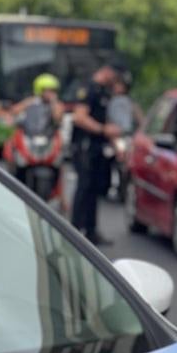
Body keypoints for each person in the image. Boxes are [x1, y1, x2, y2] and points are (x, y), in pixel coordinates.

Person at [71, 64, 121, 244]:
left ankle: (91, 231)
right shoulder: (88, 88)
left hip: (98, 148)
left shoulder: (103, 92)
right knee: (83, 188)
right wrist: (102, 130)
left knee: (94, 188)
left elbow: (105, 120)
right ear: (107, 71)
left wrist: (116, 145)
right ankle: (74, 231)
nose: (115, 80)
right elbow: (80, 117)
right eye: (114, 75)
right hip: (84, 146)